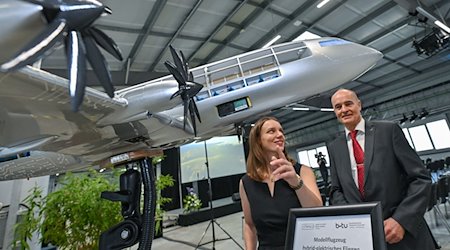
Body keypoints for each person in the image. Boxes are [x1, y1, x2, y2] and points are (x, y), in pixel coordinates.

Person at [328, 89, 435, 250]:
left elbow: (420, 178)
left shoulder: (388, 131)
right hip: (365, 237)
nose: (344, 110)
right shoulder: (334, 147)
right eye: (338, 107)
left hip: (404, 234)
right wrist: (352, 218)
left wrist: (401, 219)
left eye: (348, 103)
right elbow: (336, 190)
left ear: (359, 105)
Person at [239, 117, 322, 249]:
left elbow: (317, 211)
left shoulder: (303, 171)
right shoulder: (247, 182)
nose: (280, 135)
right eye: (271, 131)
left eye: (281, 131)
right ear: (258, 141)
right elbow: (249, 225)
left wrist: (295, 181)